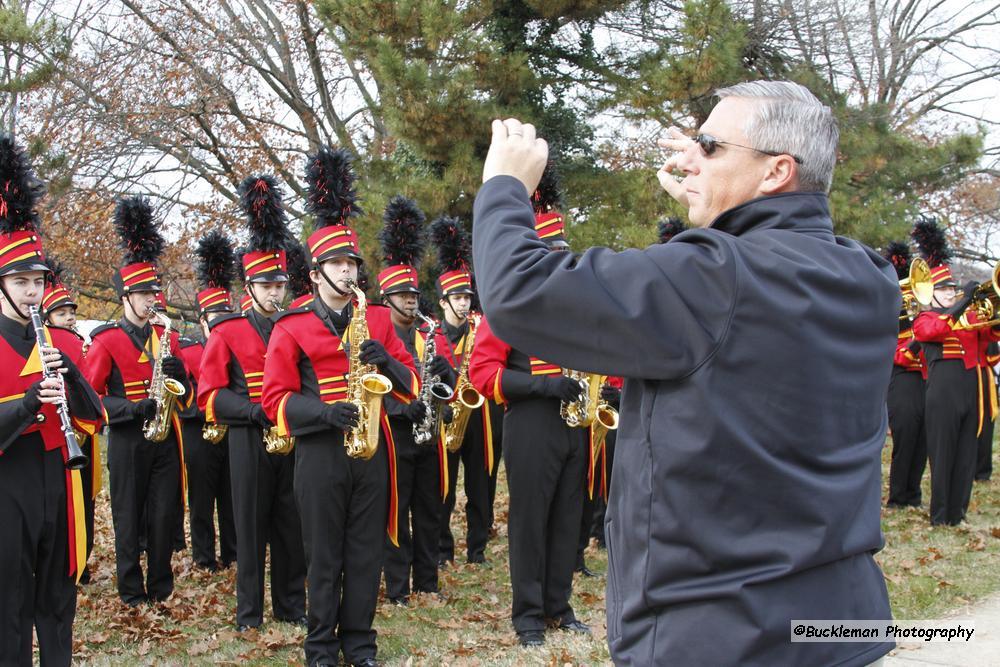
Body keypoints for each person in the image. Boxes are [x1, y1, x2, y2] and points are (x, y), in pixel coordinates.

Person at [472, 81, 898, 665]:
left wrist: (505, 186)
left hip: (721, 634)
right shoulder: (869, 274)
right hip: (842, 624)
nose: (689, 157)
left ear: (776, 172)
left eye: (711, 146)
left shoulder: (715, 276)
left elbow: (519, 292)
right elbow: (770, 262)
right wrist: (718, 201)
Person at [261, 146, 418, 667]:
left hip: (372, 452)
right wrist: (323, 414)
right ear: (316, 273)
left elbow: (413, 383)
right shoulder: (290, 327)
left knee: (365, 554)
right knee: (324, 556)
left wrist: (388, 365)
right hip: (321, 454)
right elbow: (274, 400)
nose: (349, 272)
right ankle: (321, 647)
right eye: (338, 264)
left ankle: (361, 644)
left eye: (352, 263)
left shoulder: (374, 319)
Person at [0, 133, 102, 666]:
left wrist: (73, 383)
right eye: (19, 281)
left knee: (59, 600)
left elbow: (96, 417)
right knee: (10, 603)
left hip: (58, 475)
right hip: (8, 479)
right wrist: (27, 402)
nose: (31, 291)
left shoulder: (59, 341)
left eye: (37, 280)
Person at [468, 207, 590, 648]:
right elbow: (482, 374)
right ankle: (528, 617)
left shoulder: (576, 311)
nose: (558, 262)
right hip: (532, 422)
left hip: (575, 424)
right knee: (530, 521)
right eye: (550, 254)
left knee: (567, 519)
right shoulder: (508, 310)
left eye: (563, 254)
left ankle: (560, 607)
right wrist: (544, 385)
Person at [196, 176, 306, 631]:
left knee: (290, 525)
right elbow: (209, 395)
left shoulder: (298, 324)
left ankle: (290, 604)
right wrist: (252, 411)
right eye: (266, 285)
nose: (275, 293)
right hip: (247, 439)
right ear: (250, 286)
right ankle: (249, 614)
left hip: (292, 437)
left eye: (280, 284)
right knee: (248, 527)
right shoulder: (225, 331)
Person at [83, 197, 191, 607]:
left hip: (165, 436)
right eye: (144, 293)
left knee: (164, 514)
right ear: (126, 296)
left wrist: (181, 378)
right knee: (128, 516)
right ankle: (131, 590)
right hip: (129, 439)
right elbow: (92, 398)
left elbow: (189, 395)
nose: (152, 300)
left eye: (154, 292)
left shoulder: (168, 336)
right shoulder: (107, 339)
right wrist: (131, 409)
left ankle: (162, 586)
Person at [376, 197, 455, 607]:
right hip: (393, 434)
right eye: (403, 294)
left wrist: (447, 371)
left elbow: (452, 388)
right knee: (396, 510)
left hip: (429, 436)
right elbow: (368, 384)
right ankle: (397, 587)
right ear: (386, 296)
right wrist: (398, 408)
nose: (411, 299)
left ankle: (427, 581)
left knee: (429, 510)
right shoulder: (375, 336)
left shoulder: (429, 335)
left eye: (414, 293)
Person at [911, 218, 998, 526]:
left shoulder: (969, 315)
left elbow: (990, 339)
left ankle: (958, 513)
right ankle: (939, 514)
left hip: (970, 387)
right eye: (945, 290)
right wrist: (959, 306)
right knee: (943, 451)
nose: (951, 293)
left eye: (953, 289)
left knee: (966, 450)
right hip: (942, 389)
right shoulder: (924, 318)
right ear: (930, 294)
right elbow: (933, 331)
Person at [430, 215, 496, 566]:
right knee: (444, 486)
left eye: (467, 296)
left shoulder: (481, 329)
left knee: (481, 486)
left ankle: (478, 548)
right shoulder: (431, 336)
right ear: (442, 301)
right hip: (447, 417)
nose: (463, 303)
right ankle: (442, 549)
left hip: (480, 416)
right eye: (456, 297)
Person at [179, 230, 239, 571]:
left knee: (230, 497)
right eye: (214, 316)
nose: (220, 321)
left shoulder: (236, 344)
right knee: (201, 499)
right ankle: (203, 556)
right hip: (198, 430)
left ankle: (233, 552)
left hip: (229, 429)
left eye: (224, 314)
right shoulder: (186, 349)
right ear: (202, 320)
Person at [42, 258, 101, 584]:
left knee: (85, 502)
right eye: (62, 313)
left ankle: (83, 557)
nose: (70, 318)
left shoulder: (79, 344)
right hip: (52, 431)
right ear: (48, 317)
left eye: (72, 312)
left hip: (82, 430)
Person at [885, 241, 928, 508]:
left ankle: (913, 493)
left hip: (923, 377)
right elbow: (895, 352)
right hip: (900, 377)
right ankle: (898, 496)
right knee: (906, 434)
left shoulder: (915, 314)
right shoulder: (891, 315)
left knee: (922, 437)